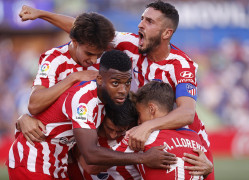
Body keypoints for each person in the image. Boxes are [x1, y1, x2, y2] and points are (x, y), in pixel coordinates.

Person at [19, 1, 214, 179]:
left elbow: (187, 113)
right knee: (93, 165)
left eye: (149, 21)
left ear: (166, 33)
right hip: (135, 129)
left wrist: (146, 127)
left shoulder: (181, 65)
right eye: (141, 19)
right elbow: (86, 33)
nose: (140, 25)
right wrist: (41, 14)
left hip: (175, 138)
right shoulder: (130, 44)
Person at [7, 50, 176, 179]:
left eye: (127, 83)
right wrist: (144, 158)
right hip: (33, 161)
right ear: (100, 79)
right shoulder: (85, 98)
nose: (123, 90)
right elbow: (90, 155)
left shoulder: (113, 105)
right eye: (116, 83)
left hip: (55, 164)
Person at [16, 11, 115, 145]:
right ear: (74, 41)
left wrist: (39, 13)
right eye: (89, 53)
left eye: (98, 55)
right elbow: (33, 105)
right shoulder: (54, 59)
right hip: (48, 144)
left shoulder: (104, 58)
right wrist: (73, 78)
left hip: (78, 144)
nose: (93, 60)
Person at [113, 81, 213, 179]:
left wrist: (143, 158)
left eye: (139, 114)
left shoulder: (142, 136)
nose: (138, 121)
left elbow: (100, 164)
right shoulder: (194, 137)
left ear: (152, 109)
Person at [68, 99, 141, 180]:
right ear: (102, 118)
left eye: (120, 131)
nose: (113, 135)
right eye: (109, 128)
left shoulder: (135, 135)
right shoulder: (85, 134)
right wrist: (140, 157)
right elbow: (90, 167)